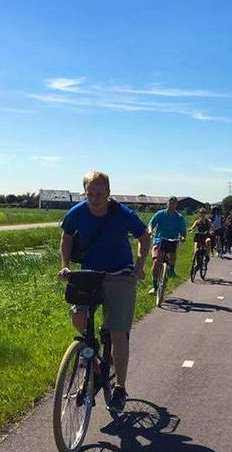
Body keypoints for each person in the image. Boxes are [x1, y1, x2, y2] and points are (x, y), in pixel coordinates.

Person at [59, 171, 150, 413]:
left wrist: (139, 267)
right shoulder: (77, 212)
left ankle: (119, 388)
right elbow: (66, 237)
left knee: (118, 332)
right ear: (84, 193)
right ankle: (92, 351)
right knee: (78, 315)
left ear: (108, 192)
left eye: (99, 194)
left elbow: (144, 236)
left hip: (120, 274)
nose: (95, 199)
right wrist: (65, 265)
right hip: (90, 273)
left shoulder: (123, 214)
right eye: (90, 194)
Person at [148, 196, 187, 295]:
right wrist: (150, 231)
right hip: (159, 240)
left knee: (172, 256)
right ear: (167, 204)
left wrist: (183, 237)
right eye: (170, 203)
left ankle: (171, 270)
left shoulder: (179, 217)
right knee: (156, 261)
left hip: (172, 240)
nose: (171, 205)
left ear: (176, 205)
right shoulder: (160, 214)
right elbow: (151, 224)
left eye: (174, 203)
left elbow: (183, 231)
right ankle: (154, 286)